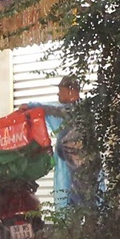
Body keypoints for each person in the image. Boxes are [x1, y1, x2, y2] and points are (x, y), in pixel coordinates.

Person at [42, 75, 92, 212]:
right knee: (75, 204)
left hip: (82, 170)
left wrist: (33, 106)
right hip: (74, 170)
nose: (58, 93)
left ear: (70, 91)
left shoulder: (77, 111)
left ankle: (85, 230)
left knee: (85, 204)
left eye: (61, 89)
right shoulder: (73, 111)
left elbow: (55, 110)